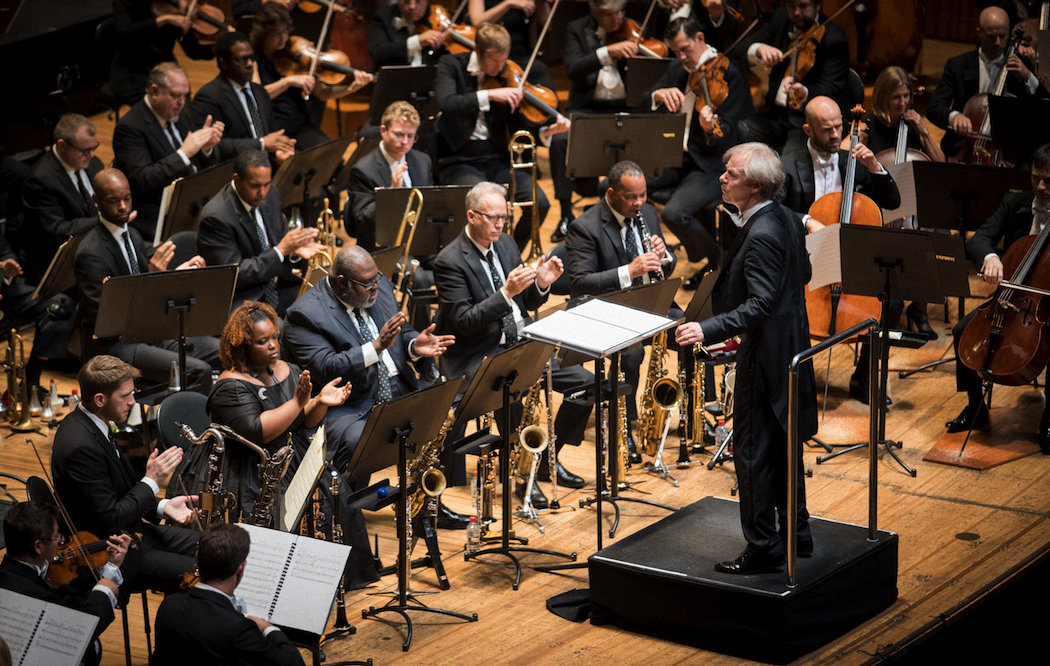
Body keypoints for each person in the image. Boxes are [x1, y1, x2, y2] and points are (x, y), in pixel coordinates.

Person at [675, 142, 816, 574]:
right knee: (784, 447)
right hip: (793, 346)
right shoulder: (787, 218)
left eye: (731, 174)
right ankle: (797, 534)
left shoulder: (762, 234)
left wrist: (707, 328)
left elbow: (761, 304)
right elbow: (804, 274)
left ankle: (763, 546)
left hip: (766, 355)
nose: (721, 178)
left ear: (753, 187)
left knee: (752, 453)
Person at [281, 246, 467, 528]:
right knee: (360, 440)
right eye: (367, 284)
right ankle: (347, 517)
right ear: (342, 282)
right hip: (348, 404)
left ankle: (427, 501)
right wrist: (377, 347)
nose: (376, 288)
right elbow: (326, 366)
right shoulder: (304, 315)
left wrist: (414, 345)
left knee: (452, 406)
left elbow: (400, 332)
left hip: (397, 388)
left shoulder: (378, 289)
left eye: (377, 279)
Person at [433, 182, 593, 505]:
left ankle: (545, 458)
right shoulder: (449, 261)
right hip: (481, 352)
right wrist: (504, 294)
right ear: (471, 216)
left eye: (504, 218)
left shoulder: (505, 243)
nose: (500, 225)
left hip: (522, 341)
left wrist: (543, 283)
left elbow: (526, 300)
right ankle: (524, 476)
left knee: (587, 384)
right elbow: (465, 323)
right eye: (493, 218)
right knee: (514, 395)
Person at [777, 95, 901, 404]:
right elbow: (773, 209)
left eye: (839, 128)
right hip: (807, 254)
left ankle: (864, 377)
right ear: (808, 130)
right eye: (827, 130)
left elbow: (892, 202)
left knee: (892, 302)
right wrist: (806, 220)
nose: (835, 136)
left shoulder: (852, 162)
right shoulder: (787, 164)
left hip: (850, 255)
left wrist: (873, 164)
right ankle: (791, 377)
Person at [50, 355, 199, 596]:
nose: (133, 401)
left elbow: (124, 490)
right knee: (206, 573)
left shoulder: (95, 422)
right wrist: (152, 480)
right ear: (100, 399)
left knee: (212, 548)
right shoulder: (80, 446)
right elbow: (111, 518)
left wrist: (162, 506)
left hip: (135, 532)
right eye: (125, 395)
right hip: (111, 551)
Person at [565, 160, 677, 462]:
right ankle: (624, 427)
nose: (639, 203)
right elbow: (580, 283)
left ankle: (699, 418)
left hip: (648, 303)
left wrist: (663, 255)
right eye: (632, 197)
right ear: (612, 193)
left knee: (690, 329)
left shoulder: (648, 213)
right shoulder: (584, 227)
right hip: (608, 311)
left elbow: (668, 262)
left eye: (643, 195)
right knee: (632, 354)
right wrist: (629, 270)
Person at [74, 168, 221, 391]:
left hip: (149, 333)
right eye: (114, 201)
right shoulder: (90, 254)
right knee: (198, 371)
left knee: (225, 349)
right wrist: (154, 277)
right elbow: (109, 320)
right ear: (97, 200)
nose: (123, 206)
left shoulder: (132, 235)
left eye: (127, 198)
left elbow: (148, 288)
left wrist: (174, 274)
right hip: (116, 345)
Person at [946, 143, 1050, 453]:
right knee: (962, 330)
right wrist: (991, 257)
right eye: (1036, 179)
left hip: (1046, 305)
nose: (1041, 187)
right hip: (1011, 299)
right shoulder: (1015, 203)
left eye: (1049, 180)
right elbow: (980, 238)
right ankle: (976, 407)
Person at [433, 21, 566, 251]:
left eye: (503, 60)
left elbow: (519, 123)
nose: (500, 66)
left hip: (495, 159)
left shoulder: (507, 76)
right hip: (459, 160)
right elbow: (447, 102)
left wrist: (547, 131)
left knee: (540, 204)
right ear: (477, 51)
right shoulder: (451, 64)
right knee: (487, 211)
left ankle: (508, 255)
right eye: (494, 61)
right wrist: (490, 95)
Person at [645, 16, 751, 287]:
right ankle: (712, 257)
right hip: (676, 157)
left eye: (685, 49)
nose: (681, 57)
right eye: (675, 51)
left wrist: (708, 128)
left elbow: (728, 137)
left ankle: (717, 260)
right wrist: (659, 95)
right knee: (627, 185)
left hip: (711, 163)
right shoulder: (681, 69)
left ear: (700, 39)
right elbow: (645, 96)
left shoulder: (730, 75)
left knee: (673, 214)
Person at [861, 65, 944, 340]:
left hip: (912, 203)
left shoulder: (911, 125)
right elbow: (860, 171)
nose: (904, 103)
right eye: (897, 97)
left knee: (937, 239)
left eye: (907, 96)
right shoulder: (869, 127)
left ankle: (919, 308)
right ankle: (889, 307)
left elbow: (939, 166)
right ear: (884, 96)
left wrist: (923, 130)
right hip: (880, 202)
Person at [151, 523, 306, 666]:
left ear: (197, 558)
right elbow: (294, 663)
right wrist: (268, 628)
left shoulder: (169, 605)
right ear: (241, 568)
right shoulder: (239, 630)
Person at [0, 502, 131, 666]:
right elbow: (77, 636)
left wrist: (109, 567)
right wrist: (103, 594)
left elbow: (67, 600)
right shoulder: (37, 597)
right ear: (39, 546)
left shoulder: (11, 572)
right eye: (57, 537)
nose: (61, 541)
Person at [548, 0, 636, 241]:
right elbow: (573, 68)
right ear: (595, 13)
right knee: (559, 142)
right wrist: (607, 52)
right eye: (610, 15)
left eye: (620, 12)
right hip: (586, 108)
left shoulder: (632, 29)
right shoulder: (578, 28)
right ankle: (566, 214)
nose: (617, 20)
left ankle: (624, 215)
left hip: (623, 110)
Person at [197, 150, 322, 315]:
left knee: (323, 307)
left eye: (266, 184)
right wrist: (280, 251)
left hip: (279, 286)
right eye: (255, 185)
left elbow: (280, 238)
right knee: (288, 330)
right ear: (237, 180)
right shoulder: (216, 217)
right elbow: (235, 275)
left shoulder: (270, 194)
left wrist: (294, 248)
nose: (262, 192)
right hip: (245, 299)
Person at [112, 63, 228, 241]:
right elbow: (143, 179)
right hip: (155, 215)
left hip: (189, 203)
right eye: (175, 95)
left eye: (185, 95)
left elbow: (200, 164)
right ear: (155, 92)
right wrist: (183, 154)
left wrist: (206, 149)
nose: (182, 102)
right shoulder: (130, 128)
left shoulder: (182, 113)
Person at [927, 6, 1045, 160]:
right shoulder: (957, 66)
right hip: (963, 147)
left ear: (1009, 31)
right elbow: (934, 108)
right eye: (991, 36)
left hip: (1005, 151)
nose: (998, 42)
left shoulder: (1020, 65)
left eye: (1002, 36)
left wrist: (1029, 76)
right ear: (979, 33)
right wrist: (954, 117)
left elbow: (1040, 108)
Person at [249, 3, 373, 150]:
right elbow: (256, 96)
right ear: (264, 34)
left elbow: (323, 93)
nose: (284, 38)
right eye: (277, 34)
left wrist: (351, 88)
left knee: (332, 158)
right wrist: (287, 82)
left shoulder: (295, 53)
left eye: (286, 32)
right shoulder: (253, 59)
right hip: (273, 128)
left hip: (300, 125)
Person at [737, 0, 849, 154]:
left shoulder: (834, 38)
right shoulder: (781, 19)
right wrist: (758, 48)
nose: (796, 12)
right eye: (791, 6)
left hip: (805, 122)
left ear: (817, 5)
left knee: (789, 163)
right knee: (741, 131)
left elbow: (832, 88)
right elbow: (738, 49)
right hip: (774, 115)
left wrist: (806, 92)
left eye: (803, 6)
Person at [187, 31, 297, 161]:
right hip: (234, 169)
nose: (250, 64)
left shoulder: (259, 92)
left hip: (265, 166)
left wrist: (280, 151)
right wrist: (261, 143)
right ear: (223, 63)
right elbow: (215, 145)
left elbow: (272, 133)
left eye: (252, 58)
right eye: (242, 59)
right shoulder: (209, 96)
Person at [20, 114, 105, 282]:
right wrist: (104, 219)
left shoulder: (93, 163)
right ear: (62, 145)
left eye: (94, 148)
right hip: (63, 263)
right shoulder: (40, 180)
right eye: (85, 151)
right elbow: (58, 230)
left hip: (96, 245)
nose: (92, 155)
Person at [346, 101, 434, 252]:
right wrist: (391, 193)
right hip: (385, 246)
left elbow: (430, 203)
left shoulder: (422, 161)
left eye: (411, 136)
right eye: (399, 134)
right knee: (420, 276)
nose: (405, 142)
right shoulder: (364, 170)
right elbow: (361, 222)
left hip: (417, 240)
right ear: (383, 131)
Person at [108, 0, 215, 100]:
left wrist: (219, 47)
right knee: (164, 103)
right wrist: (164, 19)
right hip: (133, 72)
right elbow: (125, 31)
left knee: (183, 100)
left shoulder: (176, 7)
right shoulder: (126, 2)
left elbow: (193, 50)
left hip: (164, 68)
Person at [369, 0, 451, 69]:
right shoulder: (383, 17)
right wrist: (417, 41)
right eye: (406, 1)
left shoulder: (441, 18)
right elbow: (377, 52)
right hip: (395, 82)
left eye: (418, 1)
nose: (412, 6)